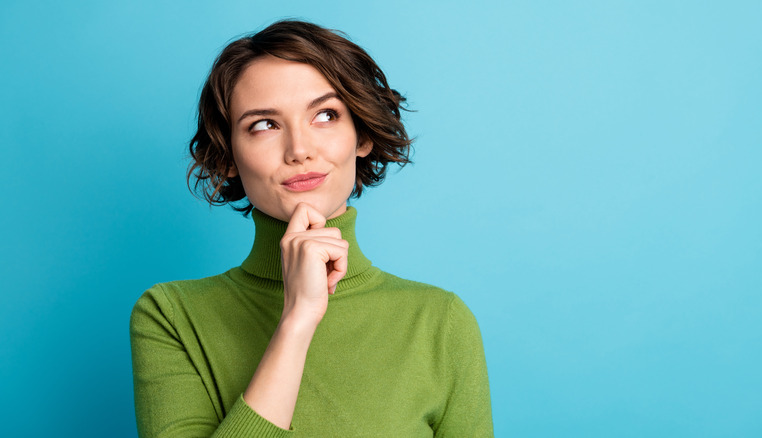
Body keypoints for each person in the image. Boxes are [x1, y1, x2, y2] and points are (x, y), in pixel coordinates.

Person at [130, 19, 493, 437]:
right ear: (229, 155)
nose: (299, 150)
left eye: (325, 115)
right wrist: (297, 319)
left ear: (361, 135)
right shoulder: (171, 316)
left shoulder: (440, 322)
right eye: (264, 124)